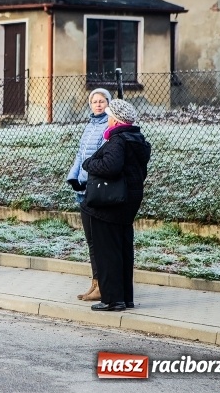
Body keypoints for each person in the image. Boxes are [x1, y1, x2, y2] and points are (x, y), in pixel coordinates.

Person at [82, 99, 151, 312]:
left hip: (109, 205)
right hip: (128, 201)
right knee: (123, 251)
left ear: (116, 120)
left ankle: (112, 299)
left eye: (110, 116)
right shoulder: (137, 139)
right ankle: (125, 297)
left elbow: (110, 166)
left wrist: (89, 163)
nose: (108, 120)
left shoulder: (118, 140)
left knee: (107, 252)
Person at [66, 88, 111, 302]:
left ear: (108, 104)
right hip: (83, 189)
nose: (98, 104)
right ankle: (95, 283)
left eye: (102, 101)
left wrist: (87, 178)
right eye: (94, 101)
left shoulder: (107, 127)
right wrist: (73, 177)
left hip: (96, 188)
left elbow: (100, 156)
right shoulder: (89, 126)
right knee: (90, 240)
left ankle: (103, 284)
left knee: (99, 239)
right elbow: (80, 154)